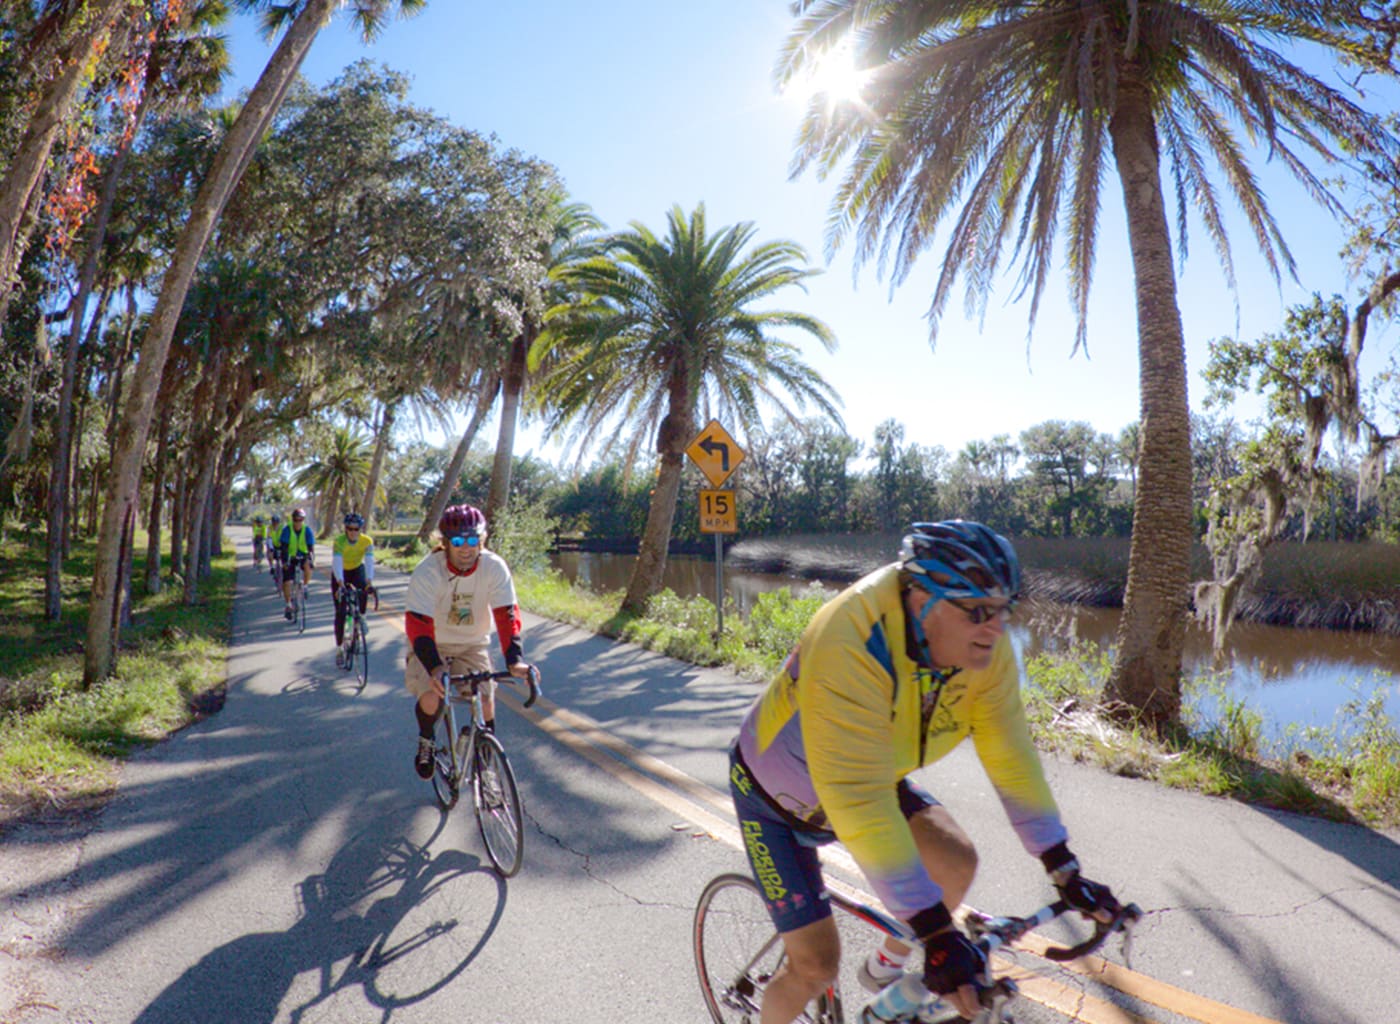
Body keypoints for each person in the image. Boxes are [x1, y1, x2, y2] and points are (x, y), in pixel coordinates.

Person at [728, 520, 1122, 1023]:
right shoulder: (851, 638)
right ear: (922, 600)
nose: (996, 628)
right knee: (816, 966)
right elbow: (858, 800)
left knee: (955, 862)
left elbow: (1010, 754)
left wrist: (1061, 864)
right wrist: (938, 936)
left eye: (1005, 609)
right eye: (978, 611)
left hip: (866, 774)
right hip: (776, 800)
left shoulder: (984, 647)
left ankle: (885, 967)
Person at [403, 504, 533, 779]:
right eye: (458, 541)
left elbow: (506, 615)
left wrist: (515, 660)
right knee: (432, 696)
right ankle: (426, 739)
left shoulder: (494, 567)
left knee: (485, 698)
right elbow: (418, 624)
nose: (466, 548)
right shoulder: (428, 571)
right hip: (431, 644)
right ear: (445, 543)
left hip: (472, 645)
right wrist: (435, 668)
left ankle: (487, 764)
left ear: (482, 540)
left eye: (472, 540)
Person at [331, 512, 375, 666]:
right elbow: (337, 563)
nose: (353, 532)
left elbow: (369, 562)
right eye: (349, 528)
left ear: (361, 529)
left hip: (357, 569)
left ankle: (361, 617)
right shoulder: (339, 541)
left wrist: (369, 581)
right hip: (341, 573)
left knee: (363, 590)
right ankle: (339, 649)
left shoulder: (367, 541)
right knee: (341, 613)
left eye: (356, 529)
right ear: (345, 529)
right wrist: (341, 584)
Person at [277, 508, 315, 620]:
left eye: (300, 520)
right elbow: (283, 547)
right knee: (287, 582)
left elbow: (311, 548)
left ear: (303, 520)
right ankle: (288, 605)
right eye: (296, 520)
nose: (298, 522)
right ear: (292, 519)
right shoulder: (287, 530)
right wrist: (284, 562)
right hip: (290, 557)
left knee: (308, 566)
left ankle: (305, 586)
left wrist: (311, 559)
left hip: (303, 555)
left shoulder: (307, 530)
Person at [268, 514, 283, 583]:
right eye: (274, 522)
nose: (275, 524)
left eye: (276, 522)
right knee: (269, 552)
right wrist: (271, 547)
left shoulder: (282, 527)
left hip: (281, 544)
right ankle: (272, 567)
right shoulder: (270, 528)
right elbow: (269, 538)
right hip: (273, 544)